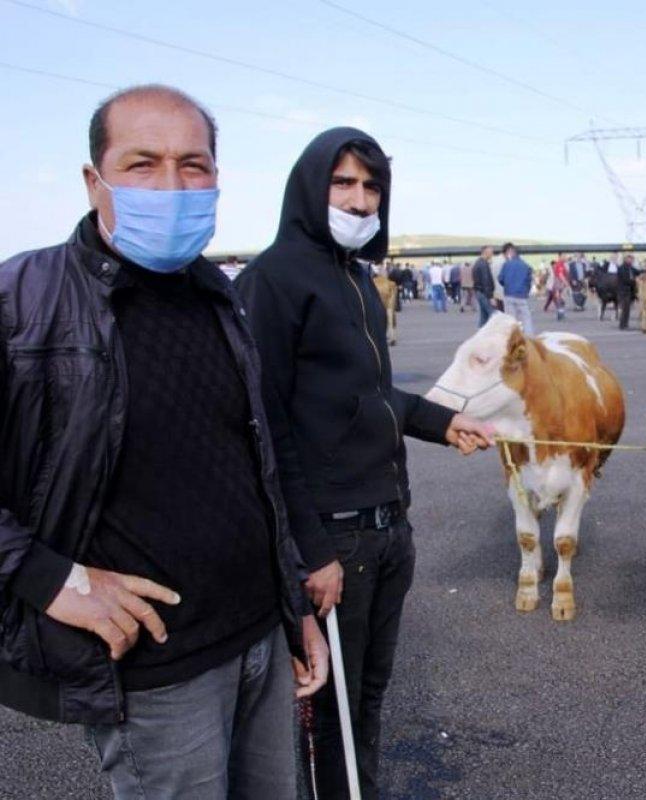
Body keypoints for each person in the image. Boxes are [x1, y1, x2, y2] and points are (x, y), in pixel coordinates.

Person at [0, 84, 328, 800]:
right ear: (96, 180)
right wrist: (49, 577)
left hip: (259, 641)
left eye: (194, 165)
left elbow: (257, 464)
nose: (173, 186)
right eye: (143, 164)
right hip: (156, 672)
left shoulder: (219, 297)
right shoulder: (23, 300)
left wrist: (291, 605)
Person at [235, 128, 493, 799]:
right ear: (309, 187)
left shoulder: (354, 278)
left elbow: (370, 396)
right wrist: (309, 550)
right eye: (342, 183)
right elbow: (267, 426)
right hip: (334, 540)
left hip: (387, 530)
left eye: (370, 185)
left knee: (368, 697)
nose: (357, 199)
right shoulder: (275, 279)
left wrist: (443, 421)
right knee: (330, 714)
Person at [498, 242, 534, 333]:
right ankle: (529, 338)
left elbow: (500, 279)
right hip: (522, 295)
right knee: (526, 318)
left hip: (509, 295)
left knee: (511, 319)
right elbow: (529, 281)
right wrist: (526, 291)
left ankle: (512, 338)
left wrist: (507, 285)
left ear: (513, 253)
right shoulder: (526, 266)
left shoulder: (506, 264)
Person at [472, 244, 497, 327]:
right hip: (484, 293)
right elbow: (486, 281)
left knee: (484, 316)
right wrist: (490, 297)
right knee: (493, 314)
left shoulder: (478, 262)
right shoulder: (483, 265)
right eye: (491, 252)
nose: (492, 254)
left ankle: (481, 335)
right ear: (485, 252)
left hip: (479, 292)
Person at [616, 252, 637, 329]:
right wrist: (635, 281)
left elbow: (637, 271)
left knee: (627, 309)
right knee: (624, 308)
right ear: (626, 259)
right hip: (623, 291)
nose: (632, 260)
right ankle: (622, 325)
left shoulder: (630, 268)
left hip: (629, 292)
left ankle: (626, 324)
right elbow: (625, 280)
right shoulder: (622, 268)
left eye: (632, 259)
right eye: (630, 259)